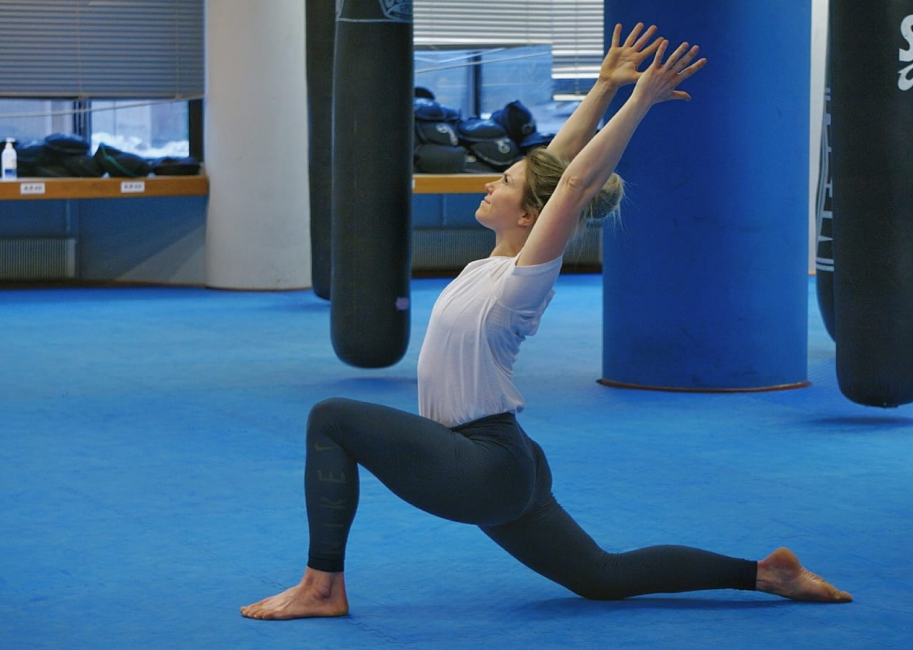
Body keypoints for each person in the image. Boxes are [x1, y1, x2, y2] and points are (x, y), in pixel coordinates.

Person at [241, 22, 852, 620]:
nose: (488, 183)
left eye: (500, 182)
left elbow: (575, 183)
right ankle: (766, 574)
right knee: (601, 577)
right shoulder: (493, 262)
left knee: (332, 419)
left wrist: (639, 102)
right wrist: (605, 86)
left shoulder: (520, 283)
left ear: (530, 216)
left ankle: (321, 587)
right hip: (502, 462)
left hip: (484, 461)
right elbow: (554, 168)